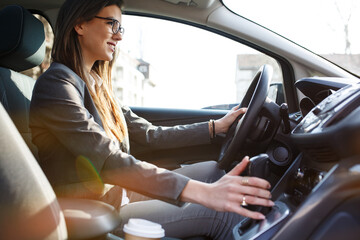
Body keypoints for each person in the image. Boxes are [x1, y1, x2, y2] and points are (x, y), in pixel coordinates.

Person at [29, 0, 274, 239]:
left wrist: (215, 127)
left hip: (121, 194)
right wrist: (204, 194)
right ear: (79, 25)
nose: (119, 36)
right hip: (95, 212)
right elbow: (107, 159)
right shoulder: (56, 85)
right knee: (221, 213)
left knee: (213, 171)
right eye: (111, 25)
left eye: (120, 27)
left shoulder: (98, 85)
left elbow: (149, 134)